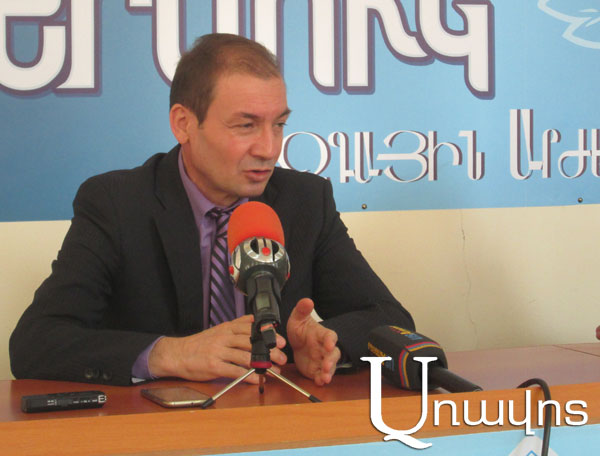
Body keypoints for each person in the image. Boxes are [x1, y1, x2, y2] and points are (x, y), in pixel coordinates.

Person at [9, 33, 414, 387]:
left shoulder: (306, 200)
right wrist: (169, 354)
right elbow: (35, 343)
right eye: (246, 125)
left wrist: (327, 342)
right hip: (157, 429)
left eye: (278, 125)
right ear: (183, 124)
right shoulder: (116, 203)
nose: (269, 149)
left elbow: (390, 319)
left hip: (273, 421)